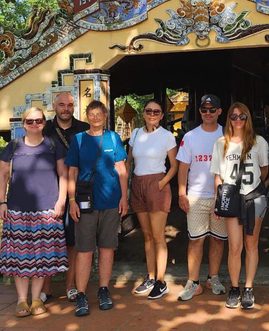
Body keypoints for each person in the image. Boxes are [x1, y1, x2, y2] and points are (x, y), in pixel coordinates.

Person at [0, 107, 68, 317]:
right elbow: (2, 176)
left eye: (38, 121)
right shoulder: (14, 146)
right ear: (23, 123)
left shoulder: (53, 145)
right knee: (20, 257)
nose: (35, 124)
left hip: (47, 209)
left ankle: (36, 298)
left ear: (44, 123)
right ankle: (21, 300)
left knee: (42, 257)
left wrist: (61, 200)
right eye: (30, 121)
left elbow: (63, 174)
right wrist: (2, 202)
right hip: (18, 209)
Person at [66, 100, 128, 317]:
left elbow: (121, 169)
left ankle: (104, 289)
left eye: (98, 114)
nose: (95, 118)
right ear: (87, 116)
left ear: (105, 115)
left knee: (107, 248)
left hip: (110, 201)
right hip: (85, 203)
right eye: (91, 114)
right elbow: (72, 172)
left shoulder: (113, 138)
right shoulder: (79, 139)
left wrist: (124, 198)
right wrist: (71, 200)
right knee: (84, 250)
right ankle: (81, 294)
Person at [210, 102, 269, 310]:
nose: (237, 120)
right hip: (232, 198)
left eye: (242, 116)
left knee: (251, 245)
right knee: (235, 246)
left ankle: (249, 287)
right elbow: (218, 175)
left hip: (254, 197)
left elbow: (264, 170)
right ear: (228, 119)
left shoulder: (258, 142)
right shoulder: (221, 143)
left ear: (248, 118)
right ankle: (235, 287)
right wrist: (220, 201)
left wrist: (251, 189)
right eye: (233, 116)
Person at [175, 94, 227, 301]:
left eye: (212, 110)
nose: (208, 113)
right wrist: (181, 193)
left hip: (221, 196)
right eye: (204, 110)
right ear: (200, 112)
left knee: (218, 240)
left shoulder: (227, 134)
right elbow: (183, 168)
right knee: (195, 240)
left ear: (219, 112)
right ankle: (193, 282)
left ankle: (212, 277)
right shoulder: (190, 137)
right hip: (195, 196)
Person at [128, 99, 179, 299]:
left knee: (158, 236)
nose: (152, 114)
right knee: (147, 235)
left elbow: (174, 165)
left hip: (157, 183)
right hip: (138, 184)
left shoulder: (166, 136)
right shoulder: (136, 134)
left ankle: (161, 280)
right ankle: (150, 276)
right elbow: (129, 160)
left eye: (156, 111)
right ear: (144, 113)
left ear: (161, 115)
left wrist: (161, 182)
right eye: (148, 110)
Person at [43, 92, 89, 302]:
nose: (65, 109)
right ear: (54, 106)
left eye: (69, 105)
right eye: (61, 105)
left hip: (76, 192)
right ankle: (45, 288)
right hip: (47, 191)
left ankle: (70, 285)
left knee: (73, 241)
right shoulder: (44, 129)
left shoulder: (83, 129)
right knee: (47, 240)